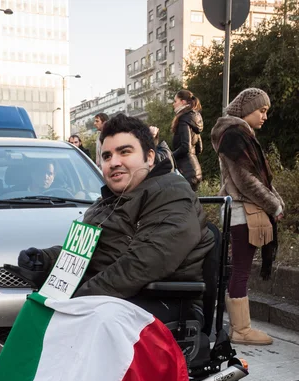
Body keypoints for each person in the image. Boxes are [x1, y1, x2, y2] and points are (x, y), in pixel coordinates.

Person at [18, 114, 214, 324]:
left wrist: (75, 302)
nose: (114, 162)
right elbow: (85, 253)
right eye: (107, 156)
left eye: (125, 152)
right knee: (32, 316)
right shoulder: (105, 203)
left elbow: (142, 264)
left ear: (149, 157)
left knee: (59, 325)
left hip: (165, 305)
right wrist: (45, 259)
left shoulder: (171, 193)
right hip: (118, 300)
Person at [211, 88, 284, 345]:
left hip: (241, 210)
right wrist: (274, 205)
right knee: (240, 271)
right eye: (261, 110)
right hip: (243, 211)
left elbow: (256, 177)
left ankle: (239, 328)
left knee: (238, 270)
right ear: (246, 109)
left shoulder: (238, 134)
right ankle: (241, 330)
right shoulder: (235, 135)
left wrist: (275, 201)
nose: (264, 116)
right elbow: (245, 180)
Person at [171, 90, 203, 191]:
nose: (173, 104)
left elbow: (185, 147)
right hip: (195, 170)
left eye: (175, 101)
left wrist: (169, 156)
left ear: (183, 102)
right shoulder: (193, 118)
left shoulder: (183, 119)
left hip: (185, 172)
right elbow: (199, 148)